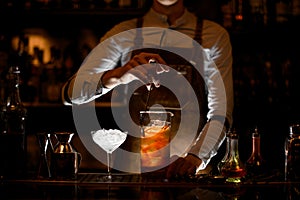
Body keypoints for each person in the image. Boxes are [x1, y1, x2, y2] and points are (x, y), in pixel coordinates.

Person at [62, 0, 233, 179]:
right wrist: (117, 75)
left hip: (189, 174)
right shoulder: (123, 34)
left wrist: (196, 157)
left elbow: (221, 113)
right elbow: (69, 94)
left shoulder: (214, 36)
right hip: (133, 175)